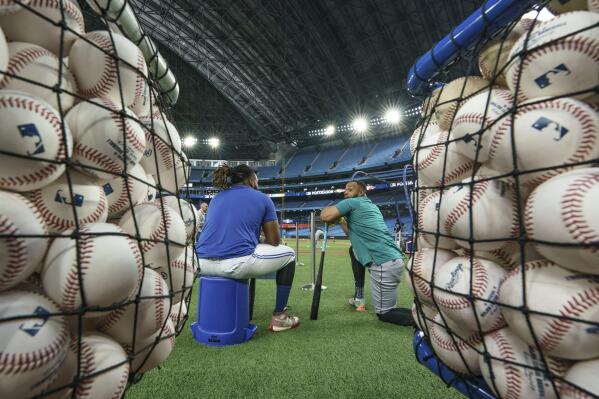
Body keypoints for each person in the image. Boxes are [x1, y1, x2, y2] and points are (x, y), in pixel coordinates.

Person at [196, 164, 300, 332]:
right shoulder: (262, 198)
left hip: (201, 264)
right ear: (251, 179)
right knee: (289, 254)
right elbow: (274, 241)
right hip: (235, 264)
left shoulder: (216, 198)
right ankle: (280, 317)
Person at [320, 181, 412, 326]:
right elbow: (353, 235)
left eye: (350, 189)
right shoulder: (371, 206)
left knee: (385, 314)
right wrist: (342, 220)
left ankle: (424, 321)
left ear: (362, 192)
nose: (345, 192)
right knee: (353, 250)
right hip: (393, 260)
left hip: (382, 264)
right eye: (345, 189)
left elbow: (325, 215)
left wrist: (334, 215)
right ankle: (359, 295)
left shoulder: (352, 203)